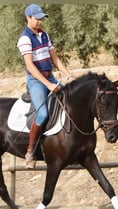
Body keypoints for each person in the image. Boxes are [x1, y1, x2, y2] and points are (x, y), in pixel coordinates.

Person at [17, 4, 74, 169]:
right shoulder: (25, 39)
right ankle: (30, 152)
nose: (40, 22)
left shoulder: (44, 35)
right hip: (36, 81)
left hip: (51, 77)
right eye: (37, 18)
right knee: (42, 113)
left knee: (71, 101)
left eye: (42, 18)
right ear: (28, 17)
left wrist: (67, 74)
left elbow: (55, 59)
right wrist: (48, 84)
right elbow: (30, 66)